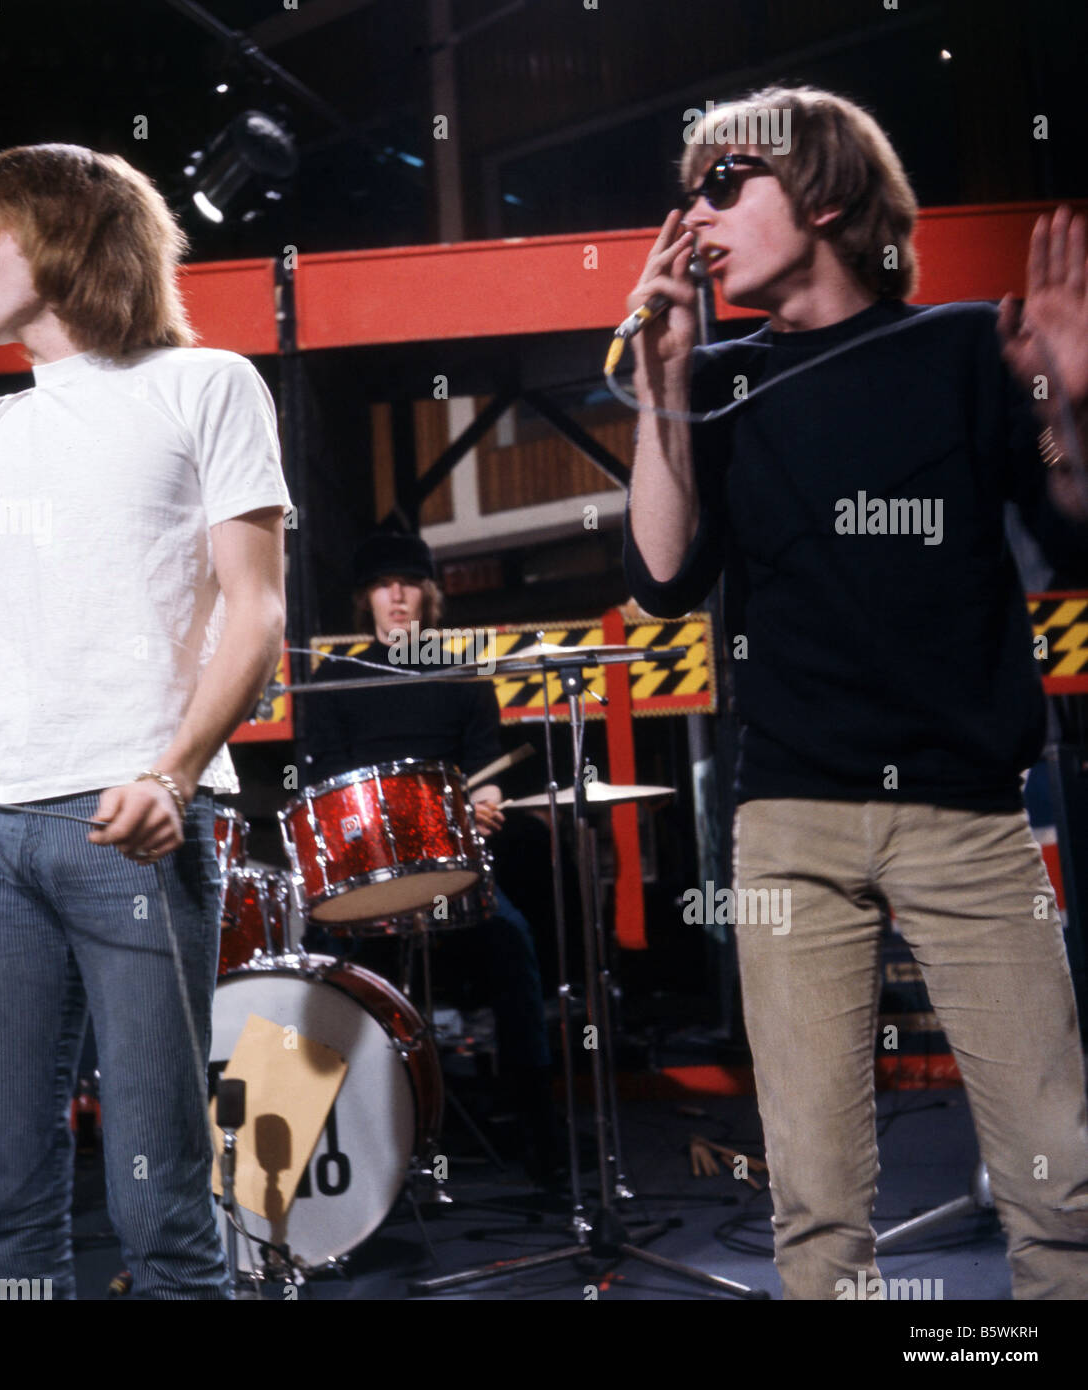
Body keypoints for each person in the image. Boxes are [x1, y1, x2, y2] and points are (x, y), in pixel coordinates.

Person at [622, 86, 1088, 1299]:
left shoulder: (960, 349)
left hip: (970, 816)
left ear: (823, 193)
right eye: (690, 194)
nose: (698, 215)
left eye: (726, 185)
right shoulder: (716, 380)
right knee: (815, 1208)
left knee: (1059, 1188)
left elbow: (1072, 530)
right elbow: (663, 579)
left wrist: (1065, 401)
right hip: (789, 821)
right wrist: (666, 375)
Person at [0, 144, 289, 1298]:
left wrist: (175, 774)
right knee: (4, 1199)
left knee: (157, 1201)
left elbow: (258, 610)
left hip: (134, 820)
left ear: (68, 243)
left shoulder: (207, 384)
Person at [301, 531, 557, 1180]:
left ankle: (539, 1134)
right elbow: (326, 784)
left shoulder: (461, 673)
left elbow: (485, 767)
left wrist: (483, 800)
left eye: (408, 582)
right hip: (369, 876)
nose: (396, 594)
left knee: (515, 942)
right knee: (327, 973)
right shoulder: (333, 681)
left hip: (453, 868)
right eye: (384, 584)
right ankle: (345, 1141)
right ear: (366, 598)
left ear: (427, 595)